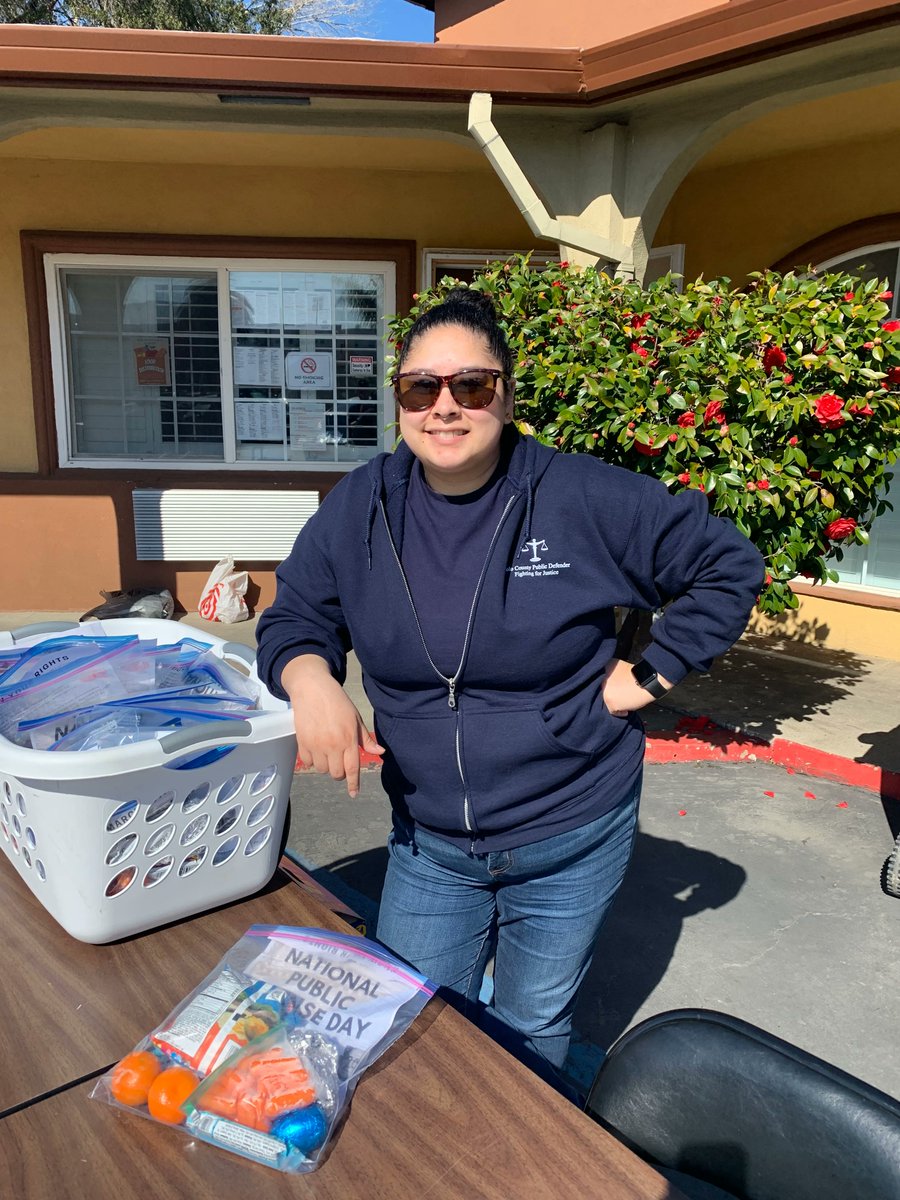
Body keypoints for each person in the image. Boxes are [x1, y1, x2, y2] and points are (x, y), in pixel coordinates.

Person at [256, 287, 764, 1090]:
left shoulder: (581, 498)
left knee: (531, 1027)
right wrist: (309, 676)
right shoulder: (361, 506)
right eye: (422, 388)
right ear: (400, 402)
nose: (445, 407)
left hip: (572, 828)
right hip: (431, 846)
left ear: (507, 394)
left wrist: (648, 675)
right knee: (415, 1019)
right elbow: (296, 615)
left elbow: (728, 564)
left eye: (472, 386)